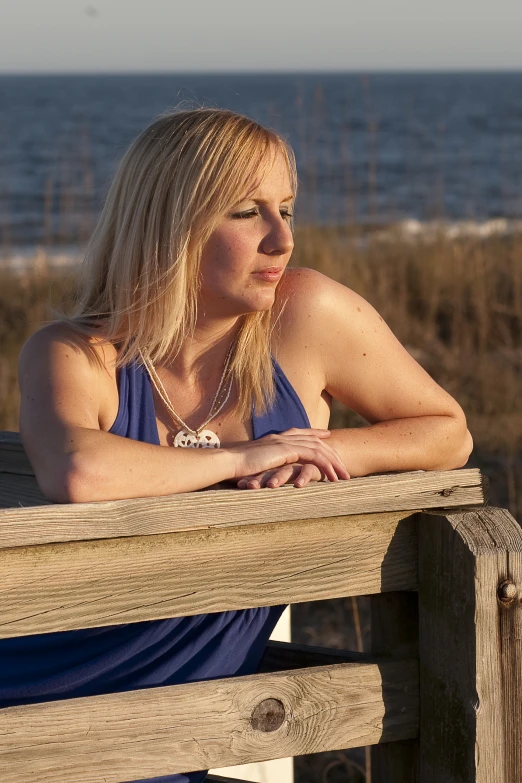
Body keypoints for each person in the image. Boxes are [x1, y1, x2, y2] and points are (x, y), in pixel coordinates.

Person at [11, 108, 472, 782]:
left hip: (184, 733)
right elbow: (77, 469)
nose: (282, 239)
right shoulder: (75, 352)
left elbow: (447, 430)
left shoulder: (304, 316)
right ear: (173, 224)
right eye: (246, 212)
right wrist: (248, 456)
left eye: (287, 208)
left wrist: (319, 450)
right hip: (35, 715)